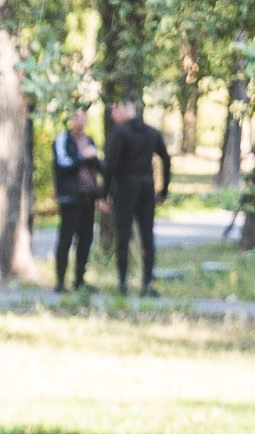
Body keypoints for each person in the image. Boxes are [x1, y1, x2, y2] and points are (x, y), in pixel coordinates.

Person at [102, 99, 172, 296]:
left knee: (123, 234)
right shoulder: (151, 132)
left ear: (125, 111)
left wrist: (104, 194)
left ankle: (123, 282)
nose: (113, 116)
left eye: (115, 111)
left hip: (125, 188)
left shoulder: (120, 133)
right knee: (147, 235)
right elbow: (166, 160)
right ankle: (146, 282)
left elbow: (110, 166)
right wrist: (163, 190)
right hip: (147, 188)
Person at [51, 106, 102, 292]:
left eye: (83, 117)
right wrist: (82, 156)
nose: (80, 121)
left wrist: (103, 193)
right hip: (70, 197)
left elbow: (97, 166)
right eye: (76, 117)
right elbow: (63, 164)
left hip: (88, 198)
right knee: (66, 238)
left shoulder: (89, 141)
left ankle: (79, 280)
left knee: (86, 239)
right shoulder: (63, 139)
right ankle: (60, 281)